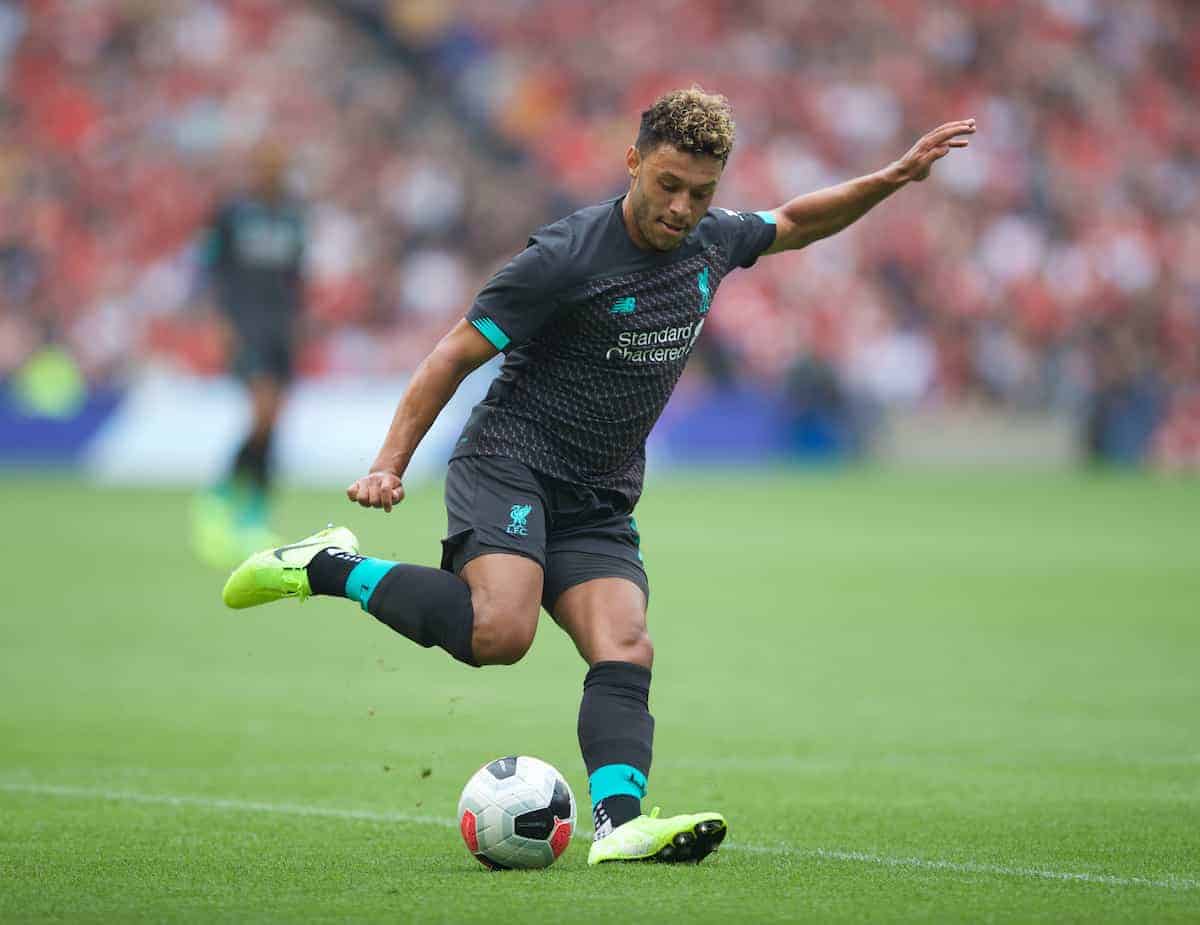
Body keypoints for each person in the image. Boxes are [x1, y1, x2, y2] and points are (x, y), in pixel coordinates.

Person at [222, 88, 973, 864]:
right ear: (633, 163)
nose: (683, 208)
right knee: (500, 632)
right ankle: (325, 565)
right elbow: (453, 353)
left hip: (600, 492)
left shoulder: (712, 242)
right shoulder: (564, 258)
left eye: (701, 194)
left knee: (626, 643)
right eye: (668, 186)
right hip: (511, 461)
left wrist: (892, 178)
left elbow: (794, 222)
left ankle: (619, 824)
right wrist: (388, 465)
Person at [194, 141, 307, 566]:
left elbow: (297, 278)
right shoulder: (233, 216)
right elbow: (213, 270)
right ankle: (223, 494)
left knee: (274, 418)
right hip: (247, 325)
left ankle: (254, 510)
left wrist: (298, 327)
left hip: (280, 328)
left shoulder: (295, 218)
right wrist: (221, 324)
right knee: (262, 411)